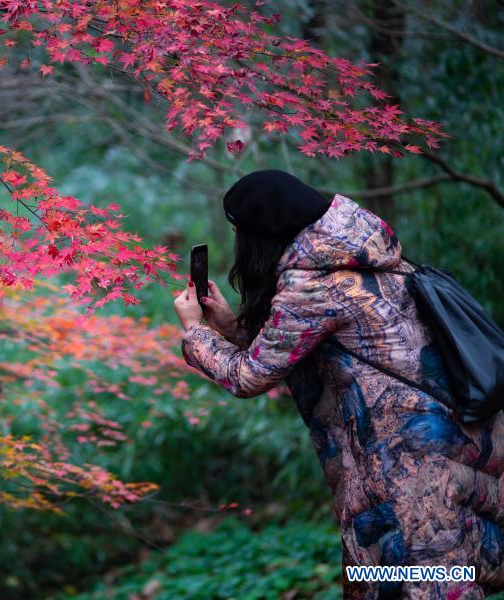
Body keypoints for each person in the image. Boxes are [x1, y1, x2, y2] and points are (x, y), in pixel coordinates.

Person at [173, 169, 504, 599]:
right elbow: (313, 344)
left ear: (260, 234)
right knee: (424, 578)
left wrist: (194, 332)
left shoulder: (311, 286)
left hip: (407, 474)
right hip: (454, 446)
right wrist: (231, 326)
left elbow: (248, 376)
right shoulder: (361, 256)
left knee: (427, 586)